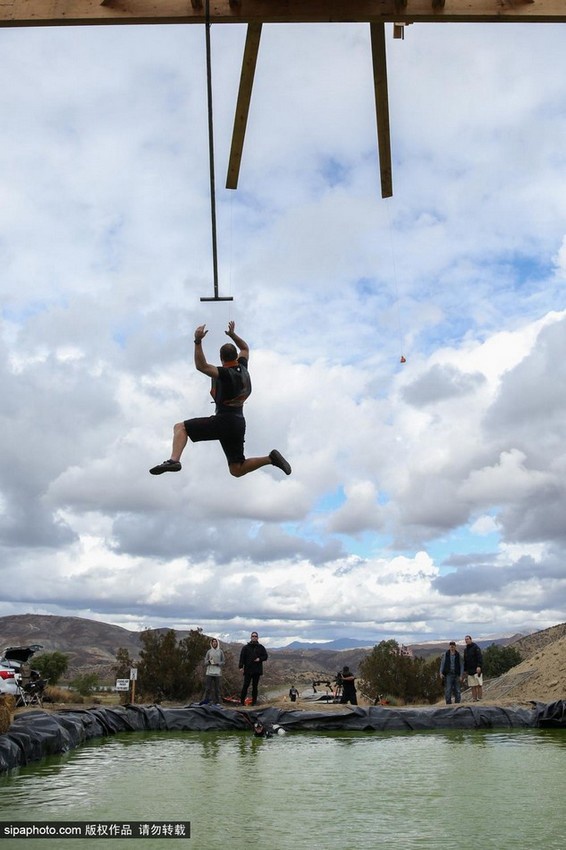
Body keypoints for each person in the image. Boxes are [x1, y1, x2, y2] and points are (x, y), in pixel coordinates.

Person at [150, 322, 292, 478]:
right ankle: (271, 458)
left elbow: (201, 366)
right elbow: (245, 348)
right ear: (235, 356)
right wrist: (233, 335)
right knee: (237, 469)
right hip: (238, 423)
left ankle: (174, 460)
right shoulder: (243, 367)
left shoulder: (225, 374)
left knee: (180, 428)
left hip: (224, 420)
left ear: (221, 358)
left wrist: (198, 341)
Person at [239, 631, 268, 706]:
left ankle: (254, 703)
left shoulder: (261, 647)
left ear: (257, 638)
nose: (254, 637)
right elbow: (242, 657)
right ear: (251, 637)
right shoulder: (246, 647)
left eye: (255, 636)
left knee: (255, 687)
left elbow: (265, 656)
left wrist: (259, 659)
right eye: (253, 636)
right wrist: (241, 666)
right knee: (245, 685)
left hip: (257, 670)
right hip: (248, 669)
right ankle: (241, 702)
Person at [203, 638, 225, 705]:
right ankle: (206, 702)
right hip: (209, 672)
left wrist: (218, 663)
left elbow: (223, 662)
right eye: (213, 642)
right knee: (208, 688)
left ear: (217, 643)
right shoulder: (209, 651)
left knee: (217, 689)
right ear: (211, 643)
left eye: (215, 642)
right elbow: (205, 662)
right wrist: (209, 661)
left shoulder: (220, 651)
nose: (214, 643)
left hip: (217, 673)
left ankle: (217, 702)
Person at [463, 635, 483, 701]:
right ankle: (474, 699)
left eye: (467, 639)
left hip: (477, 669)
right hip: (469, 670)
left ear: (471, 639)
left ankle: (479, 698)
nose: (466, 640)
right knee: (472, 685)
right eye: (465, 639)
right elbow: (465, 661)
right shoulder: (465, 650)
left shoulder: (476, 647)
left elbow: (479, 657)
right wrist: (465, 670)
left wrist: (479, 666)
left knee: (478, 685)